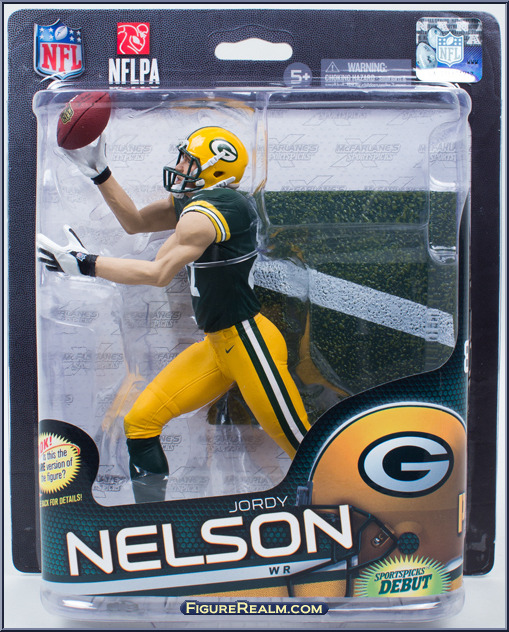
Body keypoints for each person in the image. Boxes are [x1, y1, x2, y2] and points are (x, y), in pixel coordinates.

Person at [38, 126, 310, 503]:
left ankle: (355, 503)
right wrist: (101, 172)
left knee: (305, 446)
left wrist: (86, 264)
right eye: (183, 158)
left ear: (217, 169)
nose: (180, 166)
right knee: (140, 423)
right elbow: (135, 223)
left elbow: (158, 273)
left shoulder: (215, 210)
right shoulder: (195, 202)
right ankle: (151, 516)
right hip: (218, 346)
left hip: (250, 343)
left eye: (189, 161)